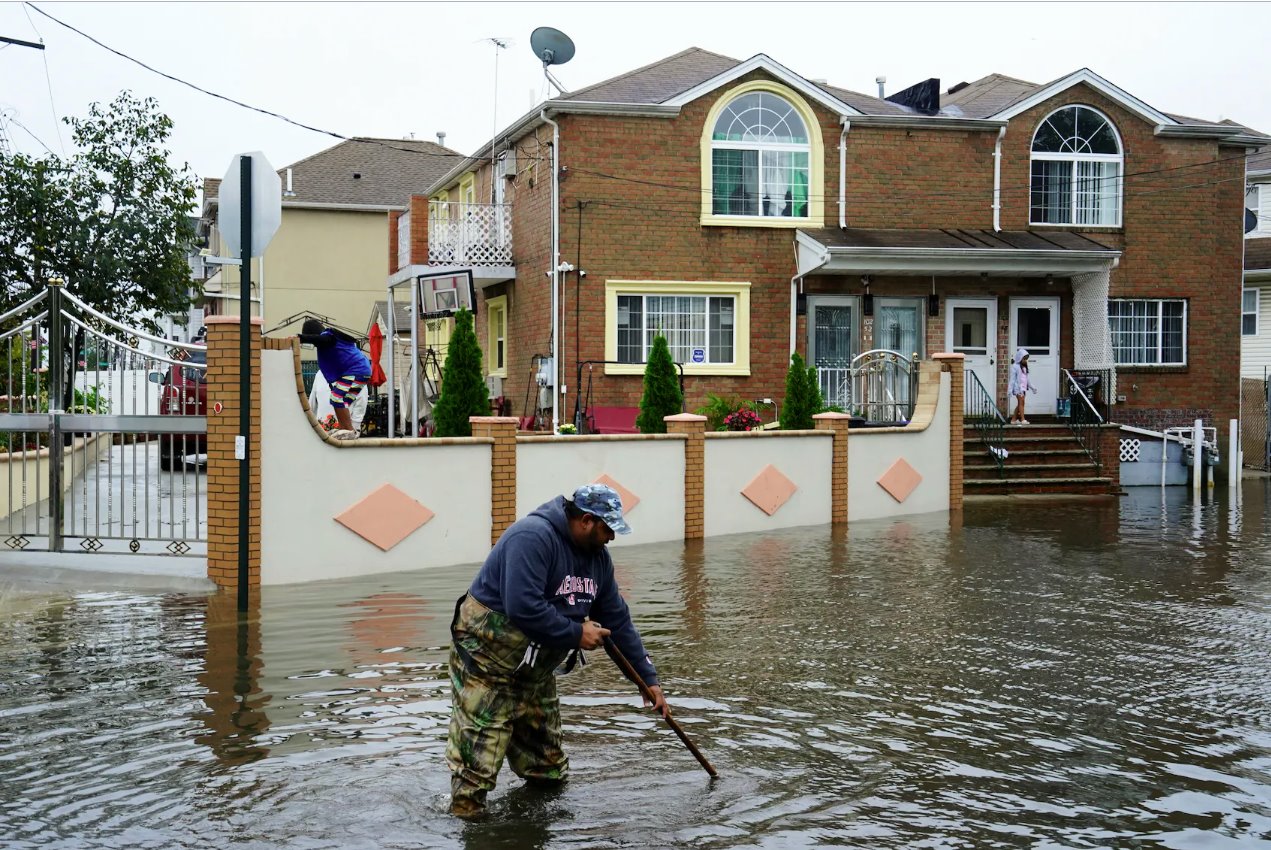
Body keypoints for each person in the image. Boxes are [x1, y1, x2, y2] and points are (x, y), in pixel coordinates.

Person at [445, 483, 668, 818]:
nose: (612, 538)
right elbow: (523, 606)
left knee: (549, 771)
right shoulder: (532, 538)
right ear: (587, 520)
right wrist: (576, 633)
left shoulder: (598, 560)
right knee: (474, 780)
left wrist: (647, 680)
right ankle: (472, 828)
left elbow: (617, 622)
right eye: (608, 529)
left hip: (534, 672)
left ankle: (533, 828)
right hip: (486, 666)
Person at [297, 318, 371, 437]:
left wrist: (300, 337)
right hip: (360, 371)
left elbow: (323, 339)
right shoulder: (330, 348)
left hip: (356, 371)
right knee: (341, 401)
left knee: (337, 398)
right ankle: (344, 427)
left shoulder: (329, 336)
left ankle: (349, 430)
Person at [1008, 347, 1037, 425]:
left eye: (1026, 359)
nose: (1025, 361)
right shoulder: (1015, 367)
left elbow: (1027, 380)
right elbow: (1012, 380)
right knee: (1021, 403)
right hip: (1018, 389)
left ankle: (1013, 420)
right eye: (1024, 359)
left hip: (1023, 389)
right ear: (1019, 358)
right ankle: (1023, 419)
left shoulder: (1024, 367)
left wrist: (1032, 387)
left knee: (1021, 404)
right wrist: (1010, 390)